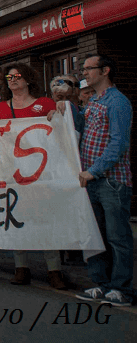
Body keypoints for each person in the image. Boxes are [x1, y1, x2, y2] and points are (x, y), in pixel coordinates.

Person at [0, 63, 64, 289]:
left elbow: (60, 133)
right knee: (16, 218)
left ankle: (54, 270)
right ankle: (21, 268)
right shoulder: (1, 109)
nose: (12, 79)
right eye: (9, 77)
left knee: (46, 219)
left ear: (28, 80)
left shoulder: (45, 104)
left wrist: (55, 116)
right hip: (13, 172)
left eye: (17, 76)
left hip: (41, 173)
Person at [69, 55, 133, 306]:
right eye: (82, 69)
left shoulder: (118, 102)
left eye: (88, 69)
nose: (84, 73)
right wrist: (65, 109)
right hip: (91, 180)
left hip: (111, 181)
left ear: (105, 71)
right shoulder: (94, 101)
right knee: (95, 236)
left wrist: (93, 170)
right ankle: (101, 284)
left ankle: (121, 289)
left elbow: (119, 143)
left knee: (117, 238)